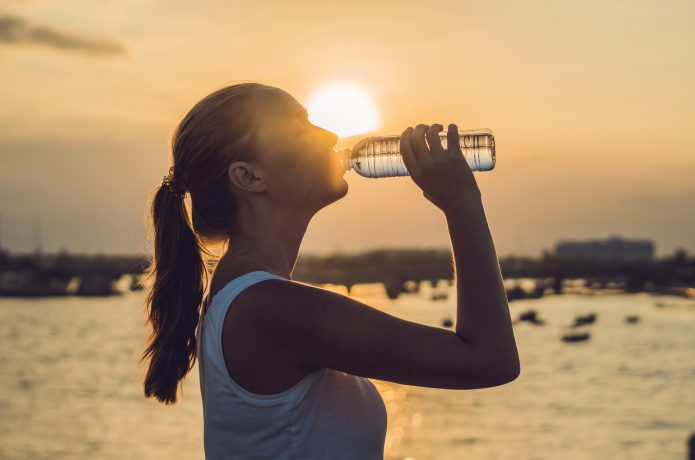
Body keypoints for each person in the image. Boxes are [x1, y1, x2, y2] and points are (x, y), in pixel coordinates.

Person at [140, 82, 520, 459]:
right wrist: (463, 205)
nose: (331, 135)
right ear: (250, 177)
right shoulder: (270, 308)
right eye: (300, 129)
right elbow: (489, 360)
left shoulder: (246, 297)